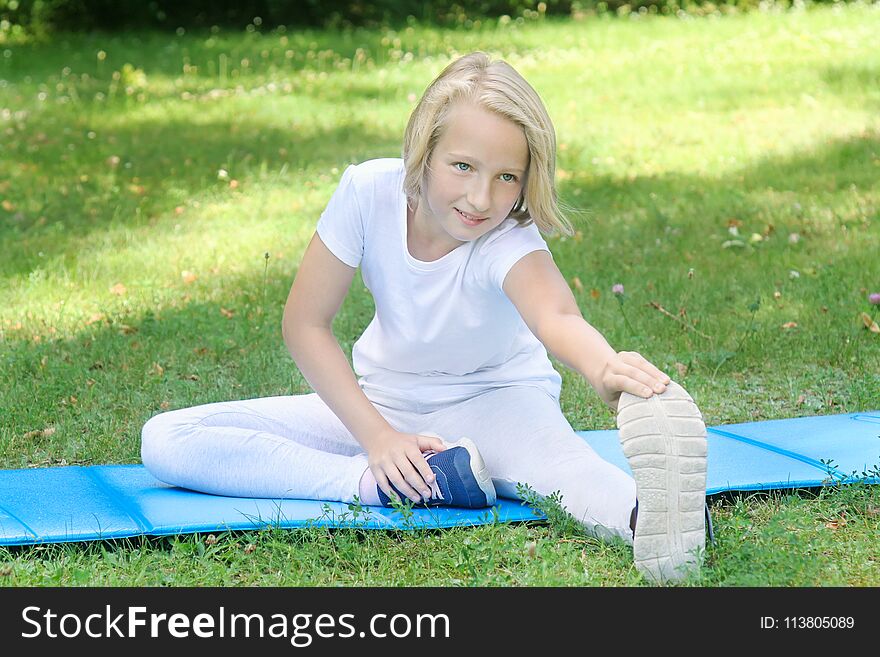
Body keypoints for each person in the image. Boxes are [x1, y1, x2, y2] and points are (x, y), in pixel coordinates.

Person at [141, 51, 708, 583]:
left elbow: (556, 314)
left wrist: (603, 367)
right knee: (169, 438)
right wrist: (380, 440)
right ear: (424, 149)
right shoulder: (367, 193)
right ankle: (386, 484)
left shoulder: (506, 238)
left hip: (499, 403)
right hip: (382, 404)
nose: (481, 198)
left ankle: (663, 524)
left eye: (506, 177)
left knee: (568, 476)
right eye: (462, 166)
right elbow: (305, 325)